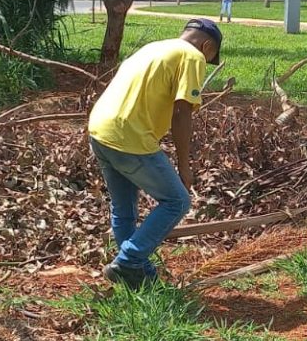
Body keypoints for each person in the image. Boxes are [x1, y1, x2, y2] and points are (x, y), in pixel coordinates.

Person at [87, 18, 223, 288]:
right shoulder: (192, 56)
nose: (206, 62)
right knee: (177, 201)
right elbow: (182, 112)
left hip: (100, 129)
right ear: (207, 46)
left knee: (124, 209)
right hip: (129, 136)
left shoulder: (153, 48)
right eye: (210, 58)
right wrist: (184, 166)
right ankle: (128, 261)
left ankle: (138, 275)